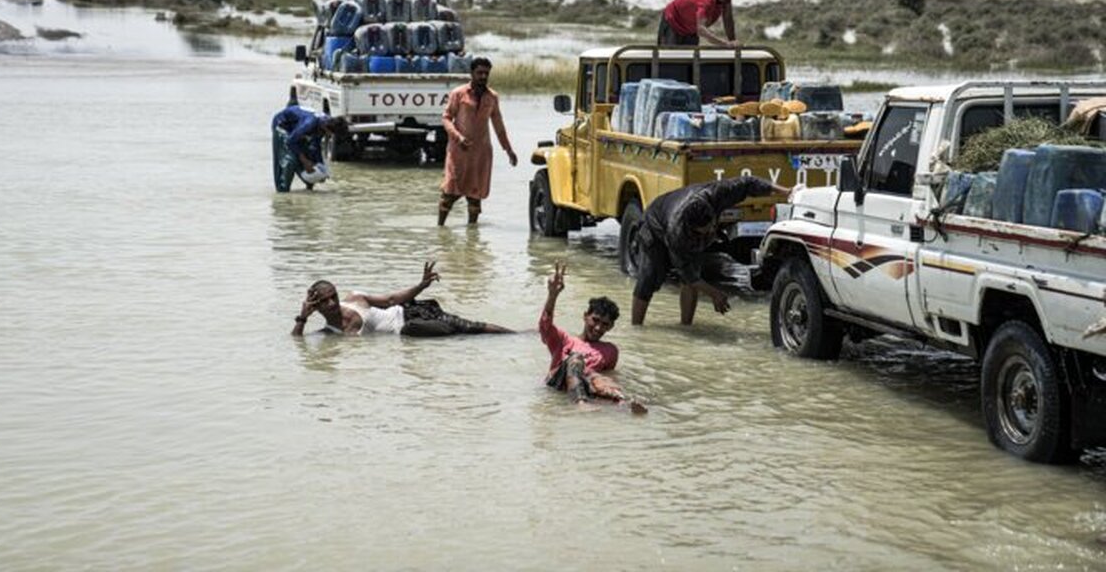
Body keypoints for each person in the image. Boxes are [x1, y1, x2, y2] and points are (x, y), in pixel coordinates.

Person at [630, 176, 791, 326]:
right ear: (692, 228)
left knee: (694, 272)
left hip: (681, 218)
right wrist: (714, 293)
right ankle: (636, 328)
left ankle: (686, 328)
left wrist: (786, 191)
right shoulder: (677, 232)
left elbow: (749, 183)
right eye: (703, 232)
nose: (709, 234)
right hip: (654, 226)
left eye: (711, 229)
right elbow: (687, 273)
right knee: (649, 277)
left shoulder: (716, 194)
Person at [291, 261, 514, 337]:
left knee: (470, 328)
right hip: (414, 330)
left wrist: (421, 285)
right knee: (461, 334)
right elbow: (298, 344)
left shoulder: (355, 298)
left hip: (412, 316)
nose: (331, 303)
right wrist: (302, 318)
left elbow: (391, 300)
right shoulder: (330, 334)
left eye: (333, 297)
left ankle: (518, 335)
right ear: (316, 306)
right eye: (324, 301)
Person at [539, 261, 646, 413]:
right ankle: (580, 403)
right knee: (576, 359)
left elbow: (607, 375)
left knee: (598, 377)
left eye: (604, 324)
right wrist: (552, 295)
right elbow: (545, 325)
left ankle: (625, 403)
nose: (598, 328)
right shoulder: (564, 340)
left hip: (586, 383)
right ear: (585, 316)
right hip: (557, 383)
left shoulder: (610, 351)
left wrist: (611, 387)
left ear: (610, 327)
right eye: (595, 320)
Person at [438, 57, 517, 225]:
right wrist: (458, 137)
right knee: (449, 195)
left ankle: (472, 242)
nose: (483, 76)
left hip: (481, 154)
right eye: (479, 73)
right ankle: (440, 230)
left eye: (486, 73)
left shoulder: (492, 97)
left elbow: (499, 127)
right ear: (471, 73)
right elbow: (446, 118)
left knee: (475, 198)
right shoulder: (458, 93)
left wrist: (509, 150)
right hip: (459, 152)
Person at [270, 104, 348, 192]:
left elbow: (316, 146)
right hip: (282, 126)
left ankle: (309, 187)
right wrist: (304, 160)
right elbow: (290, 141)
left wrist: (321, 168)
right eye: (330, 134)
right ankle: (283, 192)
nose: (329, 136)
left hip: (296, 131)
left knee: (309, 155)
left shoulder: (326, 122)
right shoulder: (309, 123)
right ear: (326, 128)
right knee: (290, 160)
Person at [657, 0, 740, 48]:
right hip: (673, 22)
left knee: (691, 60)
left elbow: (727, 18)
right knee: (669, 59)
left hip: (691, 29)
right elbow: (701, 29)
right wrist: (725, 44)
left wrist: (732, 42)